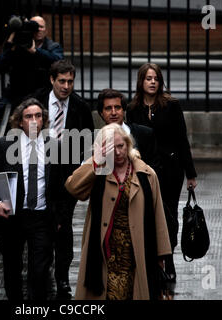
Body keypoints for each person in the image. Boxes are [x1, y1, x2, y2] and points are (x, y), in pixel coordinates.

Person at [65, 123, 171, 300]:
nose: (118, 152)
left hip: (137, 251)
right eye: (112, 149)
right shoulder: (98, 171)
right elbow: (73, 188)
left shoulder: (146, 173)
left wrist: (162, 255)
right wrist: (95, 161)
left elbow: (158, 214)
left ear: (128, 144)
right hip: (104, 253)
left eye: (121, 146)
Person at [0, 98, 66, 300]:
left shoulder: (54, 146)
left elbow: (61, 186)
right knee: (12, 272)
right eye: (28, 116)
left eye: (38, 116)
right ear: (19, 122)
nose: (34, 120)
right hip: (13, 217)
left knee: (39, 272)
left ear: (43, 120)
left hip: (42, 218)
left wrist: (59, 217)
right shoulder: (5, 145)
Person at [126, 62, 198, 282]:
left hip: (170, 169)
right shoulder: (132, 108)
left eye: (156, 78)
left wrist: (190, 173)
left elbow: (181, 139)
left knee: (168, 215)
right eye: (148, 78)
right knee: (145, 214)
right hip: (143, 170)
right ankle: (150, 261)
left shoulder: (171, 105)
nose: (153, 82)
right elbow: (131, 141)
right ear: (141, 81)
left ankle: (169, 258)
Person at [34, 59, 94, 299]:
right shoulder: (37, 101)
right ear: (52, 80)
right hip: (41, 175)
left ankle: (62, 278)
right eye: (62, 81)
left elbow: (88, 142)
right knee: (43, 225)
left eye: (70, 81)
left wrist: (79, 173)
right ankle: (44, 272)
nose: (66, 86)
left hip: (67, 179)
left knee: (64, 228)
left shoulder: (80, 107)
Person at [0, 15, 64, 109]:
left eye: (41, 27)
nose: (38, 29)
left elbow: (59, 62)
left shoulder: (53, 47)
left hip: (42, 95)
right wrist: (10, 44)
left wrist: (36, 51)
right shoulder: (18, 46)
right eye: (35, 27)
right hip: (17, 94)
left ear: (46, 30)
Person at [96, 88, 160, 173]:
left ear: (123, 111)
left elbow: (155, 171)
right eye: (108, 108)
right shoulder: (94, 139)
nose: (114, 112)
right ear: (101, 113)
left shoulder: (145, 134)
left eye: (117, 107)